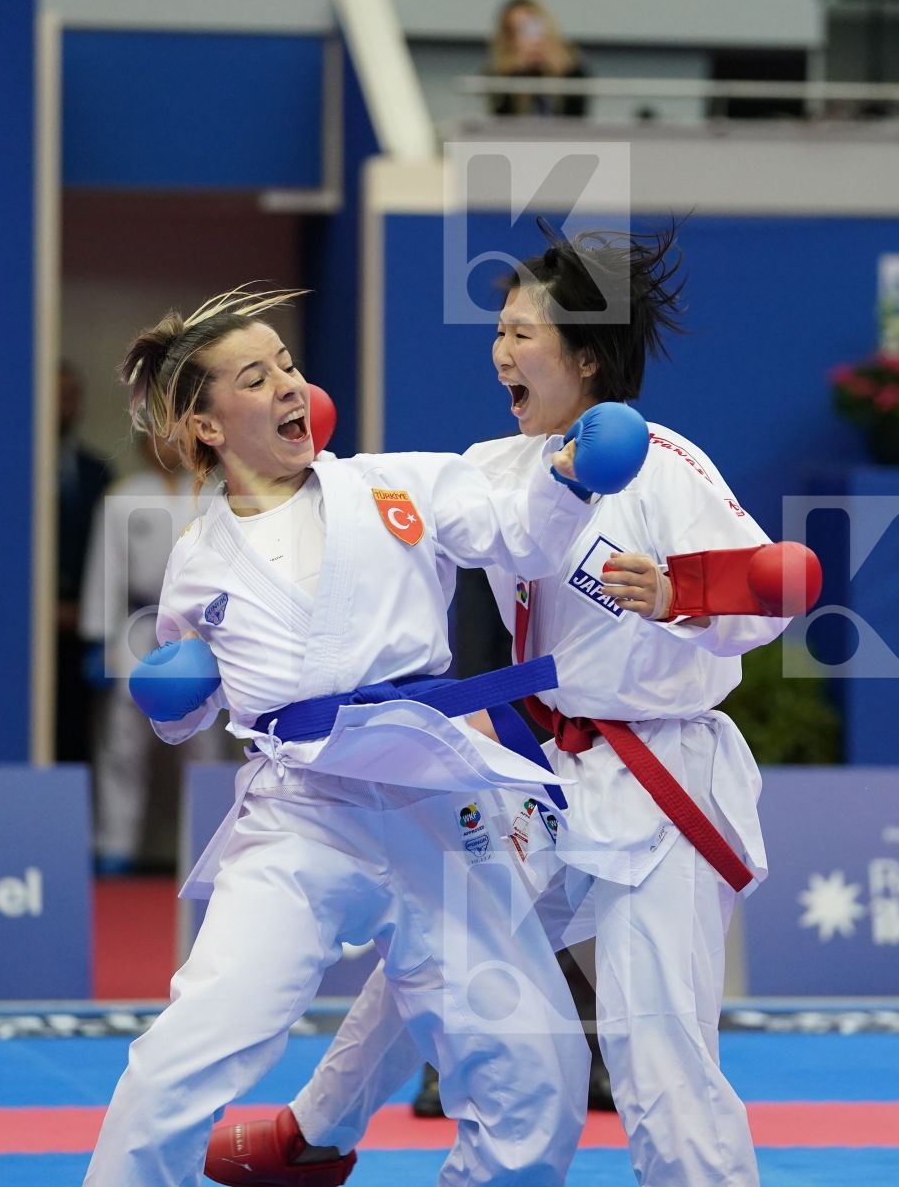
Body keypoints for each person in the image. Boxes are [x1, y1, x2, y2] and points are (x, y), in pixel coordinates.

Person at [211, 225, 792, 1187]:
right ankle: (314, 1133)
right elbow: (380, 514)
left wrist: (679, 593)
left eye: (523, 334)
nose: (501, 352)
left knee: (657, 1050)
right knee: (440, 943)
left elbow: (769, 597)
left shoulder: (665, 465)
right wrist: (286, 463)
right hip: (553, 775)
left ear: (587, 358)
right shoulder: (498, 467)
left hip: (663, 783)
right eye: (499, 332)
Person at [83, 285, 649, 1187]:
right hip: (304, 819)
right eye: (254, 378)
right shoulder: (200, 561)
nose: (288, 386)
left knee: (538, 1076)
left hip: (437, 810)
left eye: (288, 365)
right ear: (207, 425)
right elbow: (190, 713)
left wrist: (569, 478)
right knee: (191, 1048)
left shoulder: (395, 484)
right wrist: (172, 695)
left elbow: (519, 535)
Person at [80, 433, 235, 875]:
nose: (166, 448)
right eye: (157, 440)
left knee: (205, 742)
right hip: (139, 621)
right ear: (143, 446)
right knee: (123, 742)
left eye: (175, 440)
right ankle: (115, 845)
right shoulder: (124, 497)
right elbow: (106, 569)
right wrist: (99, 638)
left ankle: (207, 845)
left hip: (198, 627)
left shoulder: (215, 496)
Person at [57, 360, 113, 764]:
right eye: (56, 395)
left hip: (81, 627)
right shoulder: (10, 472)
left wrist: (88, 612)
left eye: (71, 396)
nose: (64, 405)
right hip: (27, 630)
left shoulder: (98, 474)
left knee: (80, 733)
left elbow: (107, 556)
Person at [486, 0, 589, 118]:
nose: (531, 39)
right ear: (509, 38)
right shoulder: (496, 76)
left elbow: (577, 119)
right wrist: (517, 73)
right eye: (519, 30)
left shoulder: (571, 68)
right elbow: (500, 120)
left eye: (532, 27)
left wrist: (564, 72)